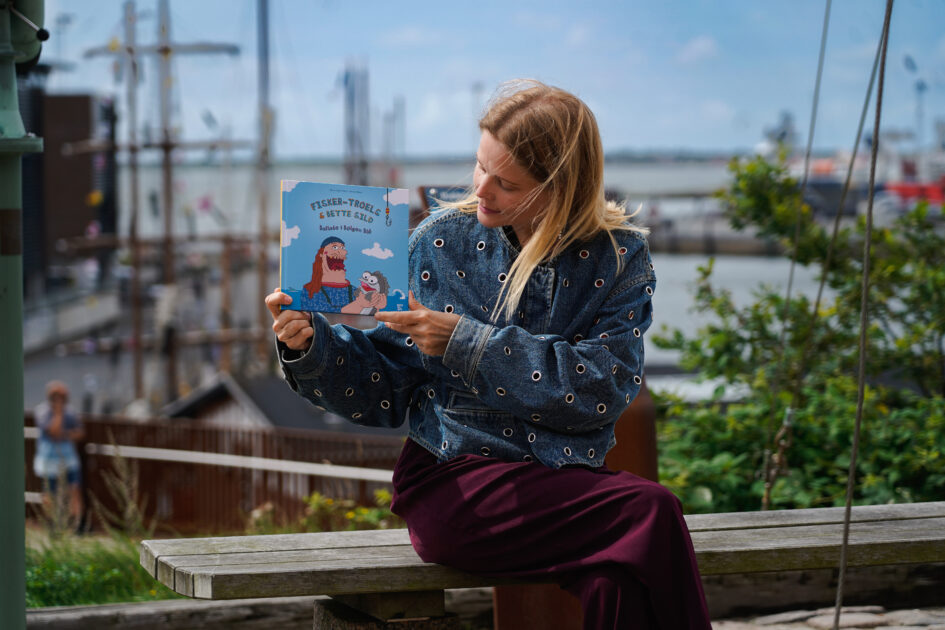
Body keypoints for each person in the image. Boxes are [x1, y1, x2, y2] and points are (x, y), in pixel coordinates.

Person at [266, 79, 711, 629]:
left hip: (566, 487)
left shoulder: (619, 259)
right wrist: (311, 347)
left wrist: (462, 341)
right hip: (453, 483)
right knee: (653, 510)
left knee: (618, 576)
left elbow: (601, 391)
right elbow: (385, 393)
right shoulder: (437, 242)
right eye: (480, 167)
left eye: (507, 182)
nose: (482, 190)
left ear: (561, 188)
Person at [33, 380, 85, 528]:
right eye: (56, 396)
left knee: (74, 489)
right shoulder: (43, 411)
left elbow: (80, 433)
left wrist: (64, 434)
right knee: (49, 492)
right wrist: (58, 412)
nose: (60, 399)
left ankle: (76, 524)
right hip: (49, 459)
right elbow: (53, 431)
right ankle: (51, 524)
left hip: (69, 458)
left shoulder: (71, 411)